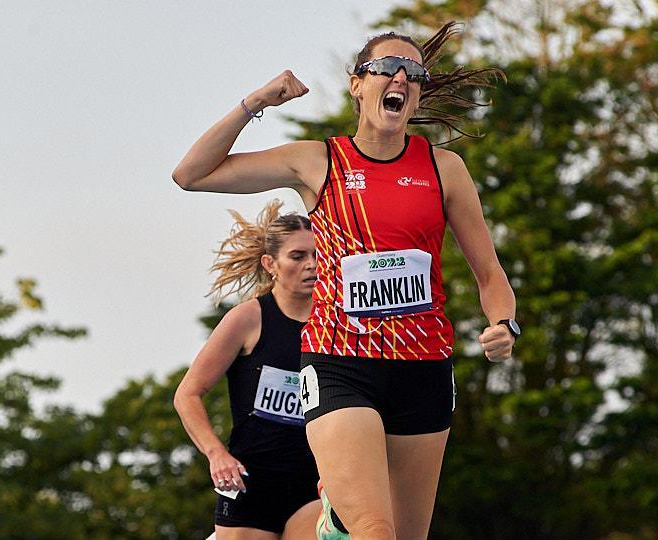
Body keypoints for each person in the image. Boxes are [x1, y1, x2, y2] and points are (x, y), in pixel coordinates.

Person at [173, 22, 519, 540]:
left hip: (423, 367)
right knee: (375, 530)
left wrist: (504, 324)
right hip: (340, 364)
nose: (400, 77)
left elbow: (490, 273)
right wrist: (257, 102)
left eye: (413, 73)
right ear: (357, 85)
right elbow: (192, 174)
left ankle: (333, 524)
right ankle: (344, 518)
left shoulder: (443, 168)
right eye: (386, 68)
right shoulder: (318, 160)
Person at [174, 201, 321, 540]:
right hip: (250, 481)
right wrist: (216, 454)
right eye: (298, 257)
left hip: (314, 483)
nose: (312, 265)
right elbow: (187, 394)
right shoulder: (248, 319)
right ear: (270, 264)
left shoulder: (335, 322)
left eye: (317, 255)